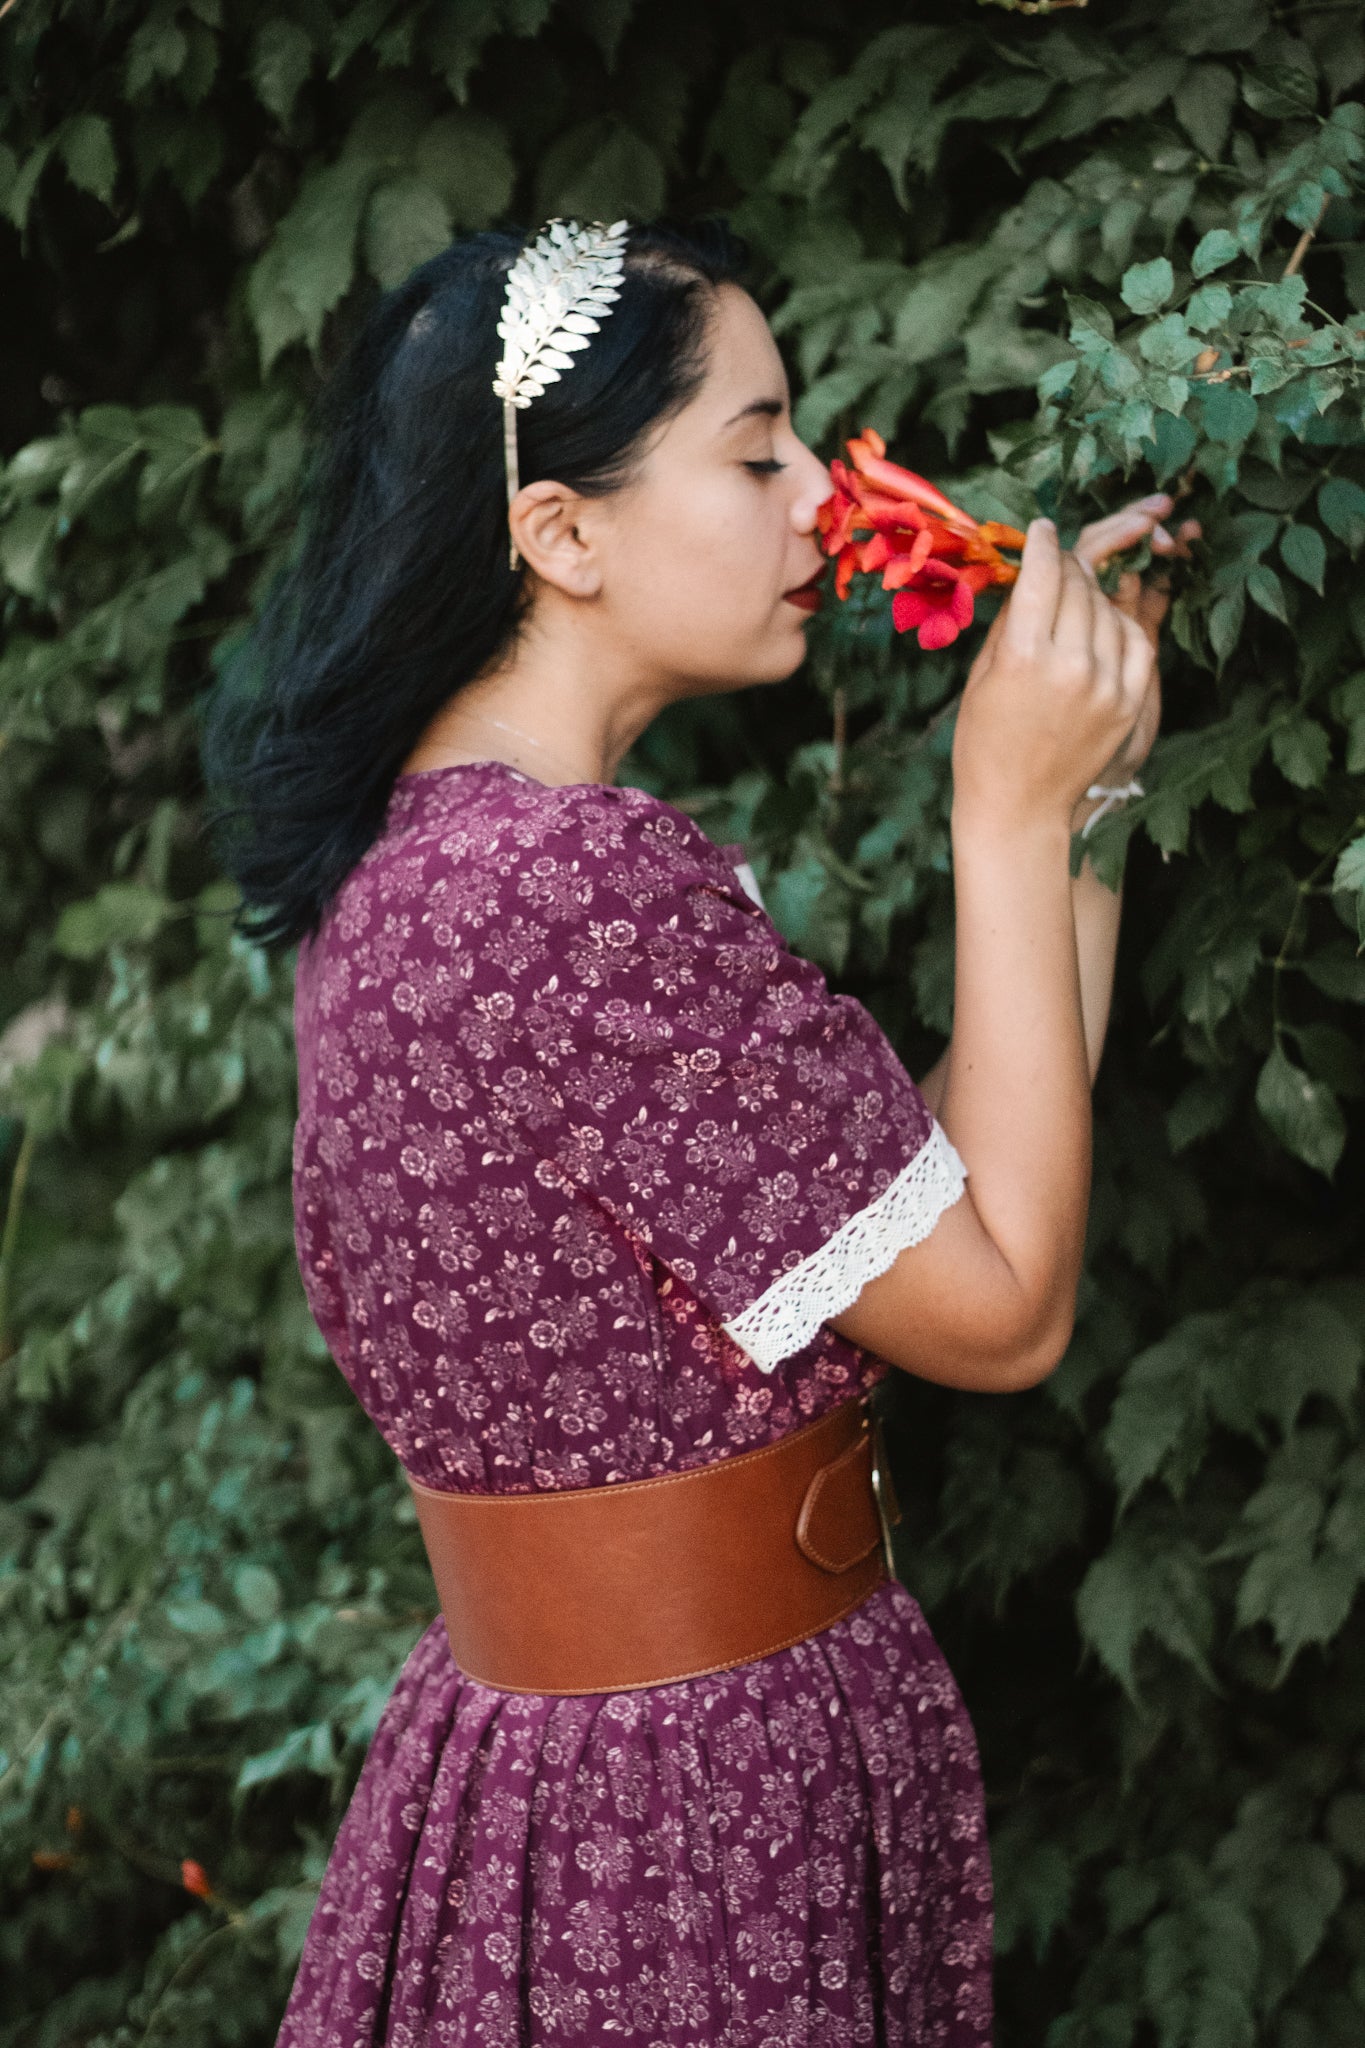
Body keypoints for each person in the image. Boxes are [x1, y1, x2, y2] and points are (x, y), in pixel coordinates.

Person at [204, 215, 1198, 2048]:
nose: (819, 494)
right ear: (558, 531)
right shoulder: (572, 889)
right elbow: (1003, 1308)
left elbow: (929, 1213)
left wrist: (1081, 787)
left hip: (565, 1773)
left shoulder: (430, 868)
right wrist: (999, 814)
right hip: (691, 1800)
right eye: (754, 453)